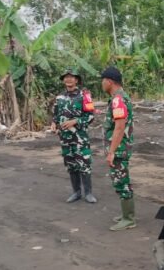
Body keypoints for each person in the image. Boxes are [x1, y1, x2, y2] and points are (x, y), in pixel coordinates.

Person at [50, 68, 97, 203]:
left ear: (76, 80)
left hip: (80, 138)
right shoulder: (59, 98)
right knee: (71, 165)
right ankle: (76, 192)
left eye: (71, 77)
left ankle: (88, 193)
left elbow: (90, 116)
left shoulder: (84, 96)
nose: (68, 79)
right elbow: (56, 115)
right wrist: (53, 124)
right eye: (66, 77)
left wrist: (75, 121)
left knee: (84, 164)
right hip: (65, 138)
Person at [101, 66, 136, 231]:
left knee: (122, 182)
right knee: (121, 181)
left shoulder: (118, 100)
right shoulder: (119, 97)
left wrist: (111, 152)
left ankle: (129, 219)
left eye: (103, 81)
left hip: (119, 150)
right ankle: (126, 215)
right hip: (121, 148)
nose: (102, 84)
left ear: (109, 81)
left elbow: (120, 127)